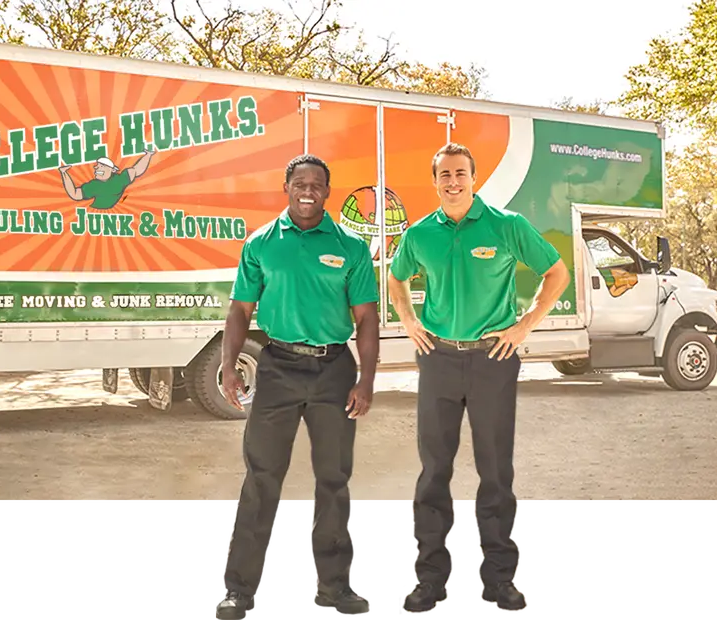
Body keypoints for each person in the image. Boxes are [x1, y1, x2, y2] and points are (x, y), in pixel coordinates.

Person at [387, 143, 570, 615]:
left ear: (475, 177)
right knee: (433, 473)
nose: (453, 181)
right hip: (439, 359)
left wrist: (524, 325)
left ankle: (500, 581)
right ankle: (429, 580)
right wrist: (408, 319)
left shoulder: (507, 226)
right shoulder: (420, 234)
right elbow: (396, 278)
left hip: (494, 358)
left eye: (461, 173)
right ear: (435, 180)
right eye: (444, 174)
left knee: (495, 473)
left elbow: (556, 273)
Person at [215, 154, 380, 619]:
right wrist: (229, 365)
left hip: (334, 370)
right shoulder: (261, 244)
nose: (308, 190)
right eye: (300, 183)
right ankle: (238, 591)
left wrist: (365, 379)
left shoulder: (350, 246)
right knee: (261, 479)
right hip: (279, 367)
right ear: (286, 187)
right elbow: (240, 311)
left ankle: (335, 591)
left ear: (328, 192)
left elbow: (366, 317)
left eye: (317, 184)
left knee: (333, 481)